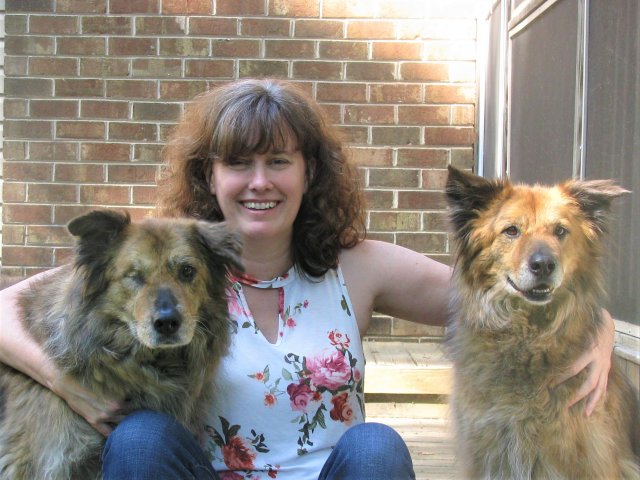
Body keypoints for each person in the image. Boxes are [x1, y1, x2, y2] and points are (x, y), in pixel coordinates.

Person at [0, 78, 615, 479]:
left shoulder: (359, 266)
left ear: (309, 172)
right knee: (139, 441)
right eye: (238, 163)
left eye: (278, 161)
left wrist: (602, 325)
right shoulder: (175, 258)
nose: (259, 182)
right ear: (210, 177)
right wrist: (67, 385)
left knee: (375, 448)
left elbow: (495, 289)